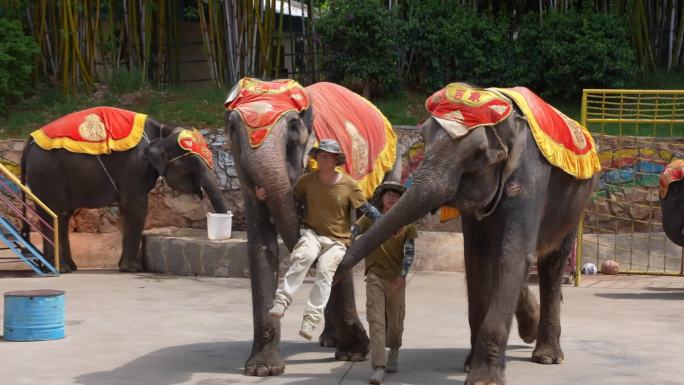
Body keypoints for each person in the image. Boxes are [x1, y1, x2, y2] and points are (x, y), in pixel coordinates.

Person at [258, 139, 382, 340]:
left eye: (327, 156)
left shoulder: (349, 184)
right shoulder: (307, 181)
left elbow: (366, 209)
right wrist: (265, 196)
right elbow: (288, 201)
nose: (323, 159)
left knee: (325, 272)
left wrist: (381, 223)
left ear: (336, 159)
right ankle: (282, 301)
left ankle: (310, 321)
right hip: (312, 234)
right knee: (303, 257)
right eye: (320, 155)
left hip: (337, 241)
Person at [354, 181, 417, 385]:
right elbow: (353, 232)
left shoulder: (407, 222)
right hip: (375, 275)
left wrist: (402, 275)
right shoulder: (369, 218)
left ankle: (394, 352)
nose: (392, 197)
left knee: (396, 323)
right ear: (381, 197)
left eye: (396, 195)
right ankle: (379, 367)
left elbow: (409, 251)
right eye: (388, 194)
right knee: (376, 321)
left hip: (396, 279)